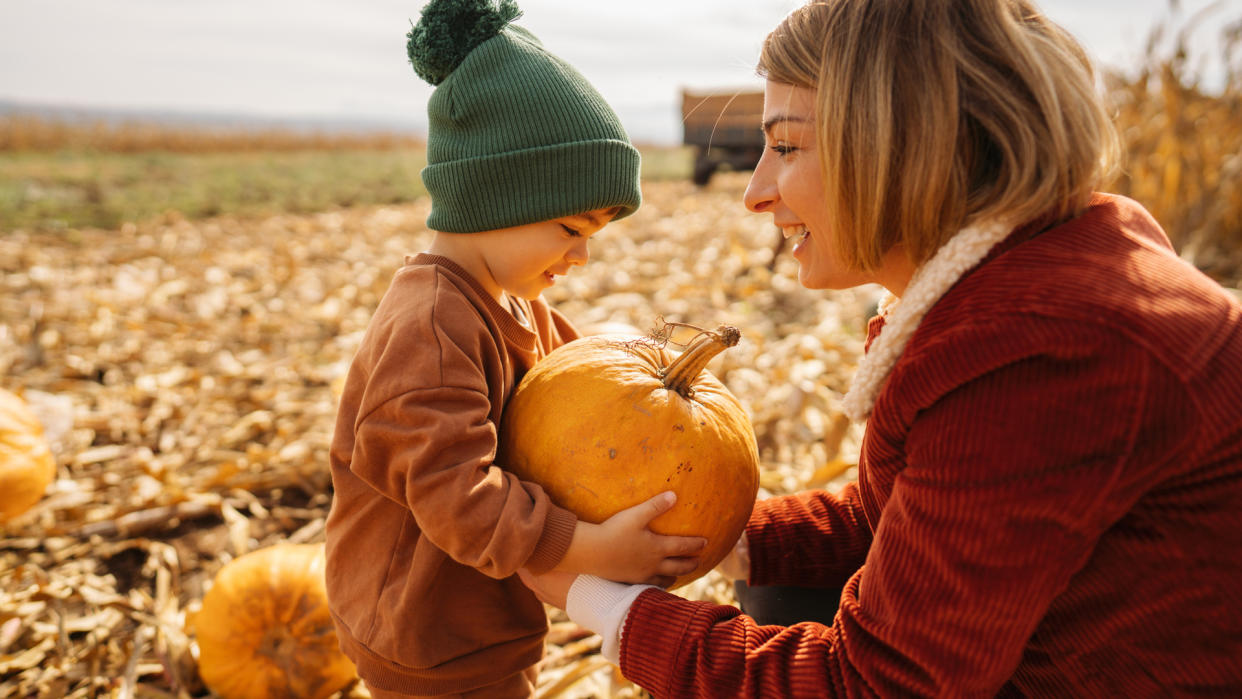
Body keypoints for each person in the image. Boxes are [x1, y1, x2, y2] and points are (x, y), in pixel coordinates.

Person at [519, 0, 1242, 695]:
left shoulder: (1046, 350)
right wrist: (697, 539)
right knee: (778, 579)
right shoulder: (1050, 266)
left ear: (900, 141)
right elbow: (894, 519)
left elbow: (873, 684)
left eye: (789, 145)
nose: (756, 191)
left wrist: (596, 599)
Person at [322, 0, 705, 696]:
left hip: (479, 617)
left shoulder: (514, 300)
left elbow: (578, 383)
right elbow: (458, 498)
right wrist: (592, 548)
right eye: (570, 226)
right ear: (494, 197)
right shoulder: (431, 329)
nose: (583, 253)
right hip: (424, 630)